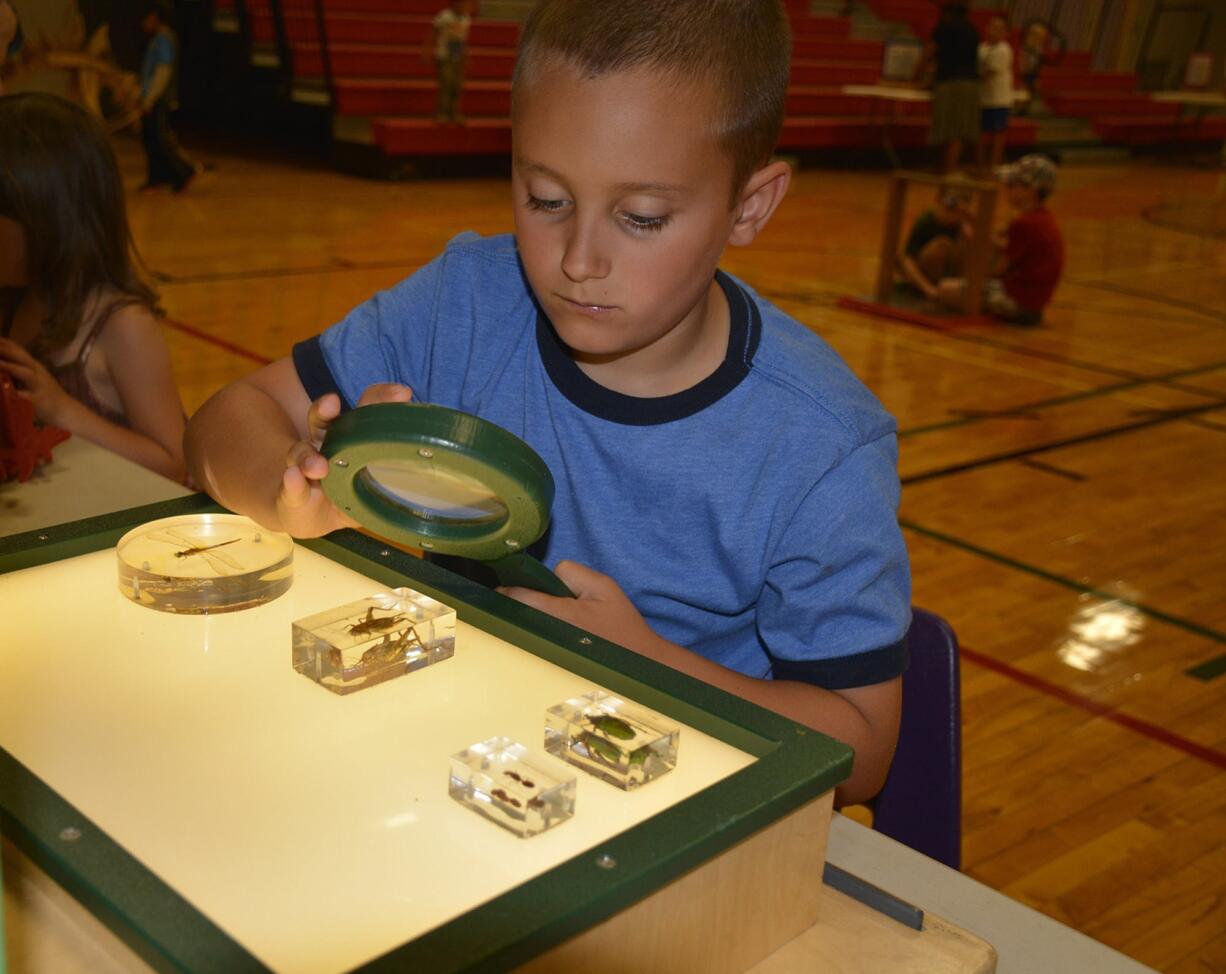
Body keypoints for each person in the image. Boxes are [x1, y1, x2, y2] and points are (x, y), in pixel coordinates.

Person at [185, 0, 910, 805]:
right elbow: (224, 420)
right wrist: (285, 493)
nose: (578, 260)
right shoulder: (465, 302)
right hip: (454, 762)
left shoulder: (821, 444)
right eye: (546, 199)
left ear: (750, 206)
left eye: (641, 218)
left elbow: (864, 748)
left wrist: (641, 661)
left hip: (674, 813)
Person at [0, 93, 187, 481]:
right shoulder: (17, 297)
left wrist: (61, 410)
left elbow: (174, 462)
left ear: (46, 221)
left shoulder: (123, 325)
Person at [987, 154, 1064, 325]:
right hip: (1036, 301)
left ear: (1031, 190)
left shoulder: (1025, 223)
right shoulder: (1043, 218)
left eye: (1011, 185)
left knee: (949, 289)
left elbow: (998, 268)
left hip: (1020, 301)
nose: (1006, 189)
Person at [138, 0, 194, 192]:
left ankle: (183, 172)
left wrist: (150, 99)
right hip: (152, 99)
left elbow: (163, 72)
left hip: (159, 101)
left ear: (155, 17)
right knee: (151, 139)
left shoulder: (164, 40)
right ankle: (157, 178)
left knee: (160, 140)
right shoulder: (158, 39)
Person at [923, 2, 980, 173]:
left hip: (947, 82)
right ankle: (949, 167)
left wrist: (916, 74)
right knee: (960, 129)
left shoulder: (944, 27)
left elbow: (929, 51)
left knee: (946, 128)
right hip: (969, 84)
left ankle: (945, 167)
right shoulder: (973, 30)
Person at [897, 183, 974, 301]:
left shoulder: (962, 222)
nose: (953, 215)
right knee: (941, 245)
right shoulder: (927, 220)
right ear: (939, 201)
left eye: (958, 210)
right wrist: (928, 289)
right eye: (950, 208)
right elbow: (908, 260)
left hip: (949, 275)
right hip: (925, 273)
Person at [428, 0, 475, 124]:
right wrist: (427, 49)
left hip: (457, 56)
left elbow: (463, 40)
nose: (466, 7)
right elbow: (433, 32)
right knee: (446, 84)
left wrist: (466, 56)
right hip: (444, 55)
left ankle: (454, 112)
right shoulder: (445, 16)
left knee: (457, 85)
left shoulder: (466, 19)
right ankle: (442, 112)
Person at [978, 16, 1013, 172]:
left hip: (998, 100)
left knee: (997, 135)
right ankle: (980, 165)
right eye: (992, 27)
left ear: (1005, 32)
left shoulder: (1003, 50)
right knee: (980, 134)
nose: (993, 31)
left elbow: (989, 72)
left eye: (998, 28)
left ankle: (993, 167)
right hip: (983, 99)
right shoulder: (981, 48)